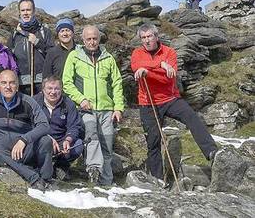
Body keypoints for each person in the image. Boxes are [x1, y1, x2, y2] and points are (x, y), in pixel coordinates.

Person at [131, 23, 218, 180]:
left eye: (149, 36)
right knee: (153, 140)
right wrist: (160, 65)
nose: (147, 40)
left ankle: (212, 152)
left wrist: (147, 70)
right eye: (143, 38)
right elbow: (136, 66)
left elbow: (167, 78)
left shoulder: (169, 52)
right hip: (148, 102)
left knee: (192, 117)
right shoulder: (137, 53)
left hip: (170, 99)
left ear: (157, 37)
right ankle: (157, 179)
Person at [0, 70, 53, 190]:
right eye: (4, 83)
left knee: (45, 141)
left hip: (25, 150)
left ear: (17, 86)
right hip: (2, 154)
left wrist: (24, 139)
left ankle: (46, 179)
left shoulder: (28, 102)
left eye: (12, 83)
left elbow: (44, 125)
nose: (8, 87)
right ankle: (34, 178)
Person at [62, 25, 125, 185]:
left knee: (107, 146)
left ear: (99, 39)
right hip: (85, 109)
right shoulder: (74, 56)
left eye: (94, 38)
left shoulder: (108, 58)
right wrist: (81, 99)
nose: (92, 42)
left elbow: (117, 83)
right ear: (83, 40)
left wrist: (118, 107)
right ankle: (93, 173)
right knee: (92, 138)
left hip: (106, 110)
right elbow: (67, 82)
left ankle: (107, 182)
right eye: (88, 39)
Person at [33, 76, 83, 181]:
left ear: (61, 90)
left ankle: (60, 166)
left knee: (78, 145)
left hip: (61, 141)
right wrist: (47, 138)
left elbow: (74, 126)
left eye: (57, 89)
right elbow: (29, 125)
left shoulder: (68, 103)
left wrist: (68, 139)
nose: (53, 92)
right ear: (43, 90)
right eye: (49, 89)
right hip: (40, 139)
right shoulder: (34, 102)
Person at [9, 0, 54, 95]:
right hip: (22, 85)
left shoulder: (44, 32)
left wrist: (37, 42)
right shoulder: (14, 34)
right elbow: (9, 57)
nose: (25, 13)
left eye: (28, 10)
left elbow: (51, 54)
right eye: (23, 10)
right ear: (19, 12)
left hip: (41, 83)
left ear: (34, 11)